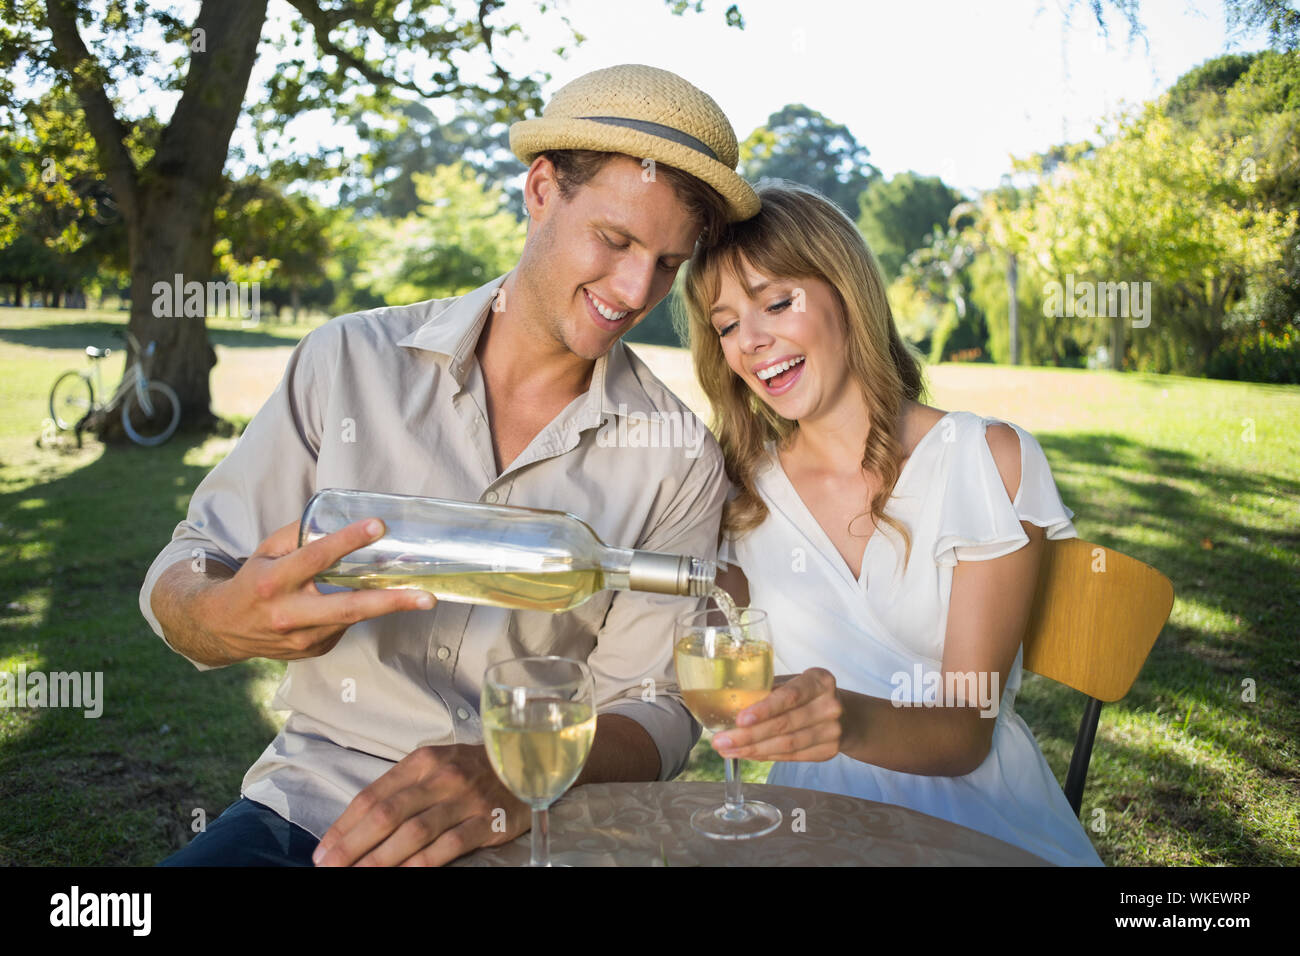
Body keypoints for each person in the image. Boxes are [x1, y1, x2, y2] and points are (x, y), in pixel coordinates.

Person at [140, 64, 760, 867]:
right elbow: (192, 560)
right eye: (616, 240)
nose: (637, 289)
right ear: (541, 190)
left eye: (670, 263)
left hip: (532, 827)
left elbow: (660, 708)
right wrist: (224, 614)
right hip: (315, 807)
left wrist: (517, 771)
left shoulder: (677, 457)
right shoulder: (350, 360)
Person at [679, 181, 1105, 866]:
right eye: (726, 325)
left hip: (975, 822)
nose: (751, 342)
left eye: (777, 302)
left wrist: (839, 716)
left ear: (848, 292)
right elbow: (699, 656)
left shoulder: (984, 460)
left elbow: (967, 732)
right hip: (808, 830)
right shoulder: (739, 496)